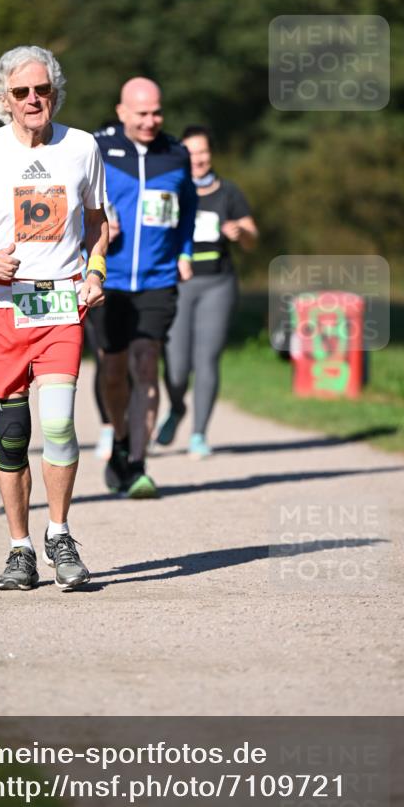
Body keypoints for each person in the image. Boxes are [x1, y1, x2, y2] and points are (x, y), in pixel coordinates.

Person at [0, 44, 108, 592]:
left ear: (55, 92)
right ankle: (20, 548)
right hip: (0, 304)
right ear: (5, 99)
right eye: (22, 92)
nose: (33, 99)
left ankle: (60, 534)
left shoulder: (82, 146)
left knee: (62, 422)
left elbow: (97, 222)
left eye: (42, 89)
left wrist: (95, 272)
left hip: (61, 302)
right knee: (12, 435)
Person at [92, 78, 197, 498]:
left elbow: (188, 209)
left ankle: (137, 463)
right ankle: (118, 436)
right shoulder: (96, 149)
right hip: (109, 278)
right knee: (113, 371)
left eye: (157, 112)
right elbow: (74, 198)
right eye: (141, 114)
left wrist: (184, 252)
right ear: (121, 112)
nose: (151, 121)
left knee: (145, 363)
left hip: (158, 277)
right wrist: (95, 223)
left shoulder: (177, 153)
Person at [156, 126, 259, 457]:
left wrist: (240, 231)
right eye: (191, 152)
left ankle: (199, 434)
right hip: (178, 285)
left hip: (218, 284)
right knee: (175, 365)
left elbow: (252, 239)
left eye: (203, 152)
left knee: (207, 359)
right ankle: (176, 407)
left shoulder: (228, 192)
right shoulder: (170, 189)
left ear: (211, 154)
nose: (198, 158)